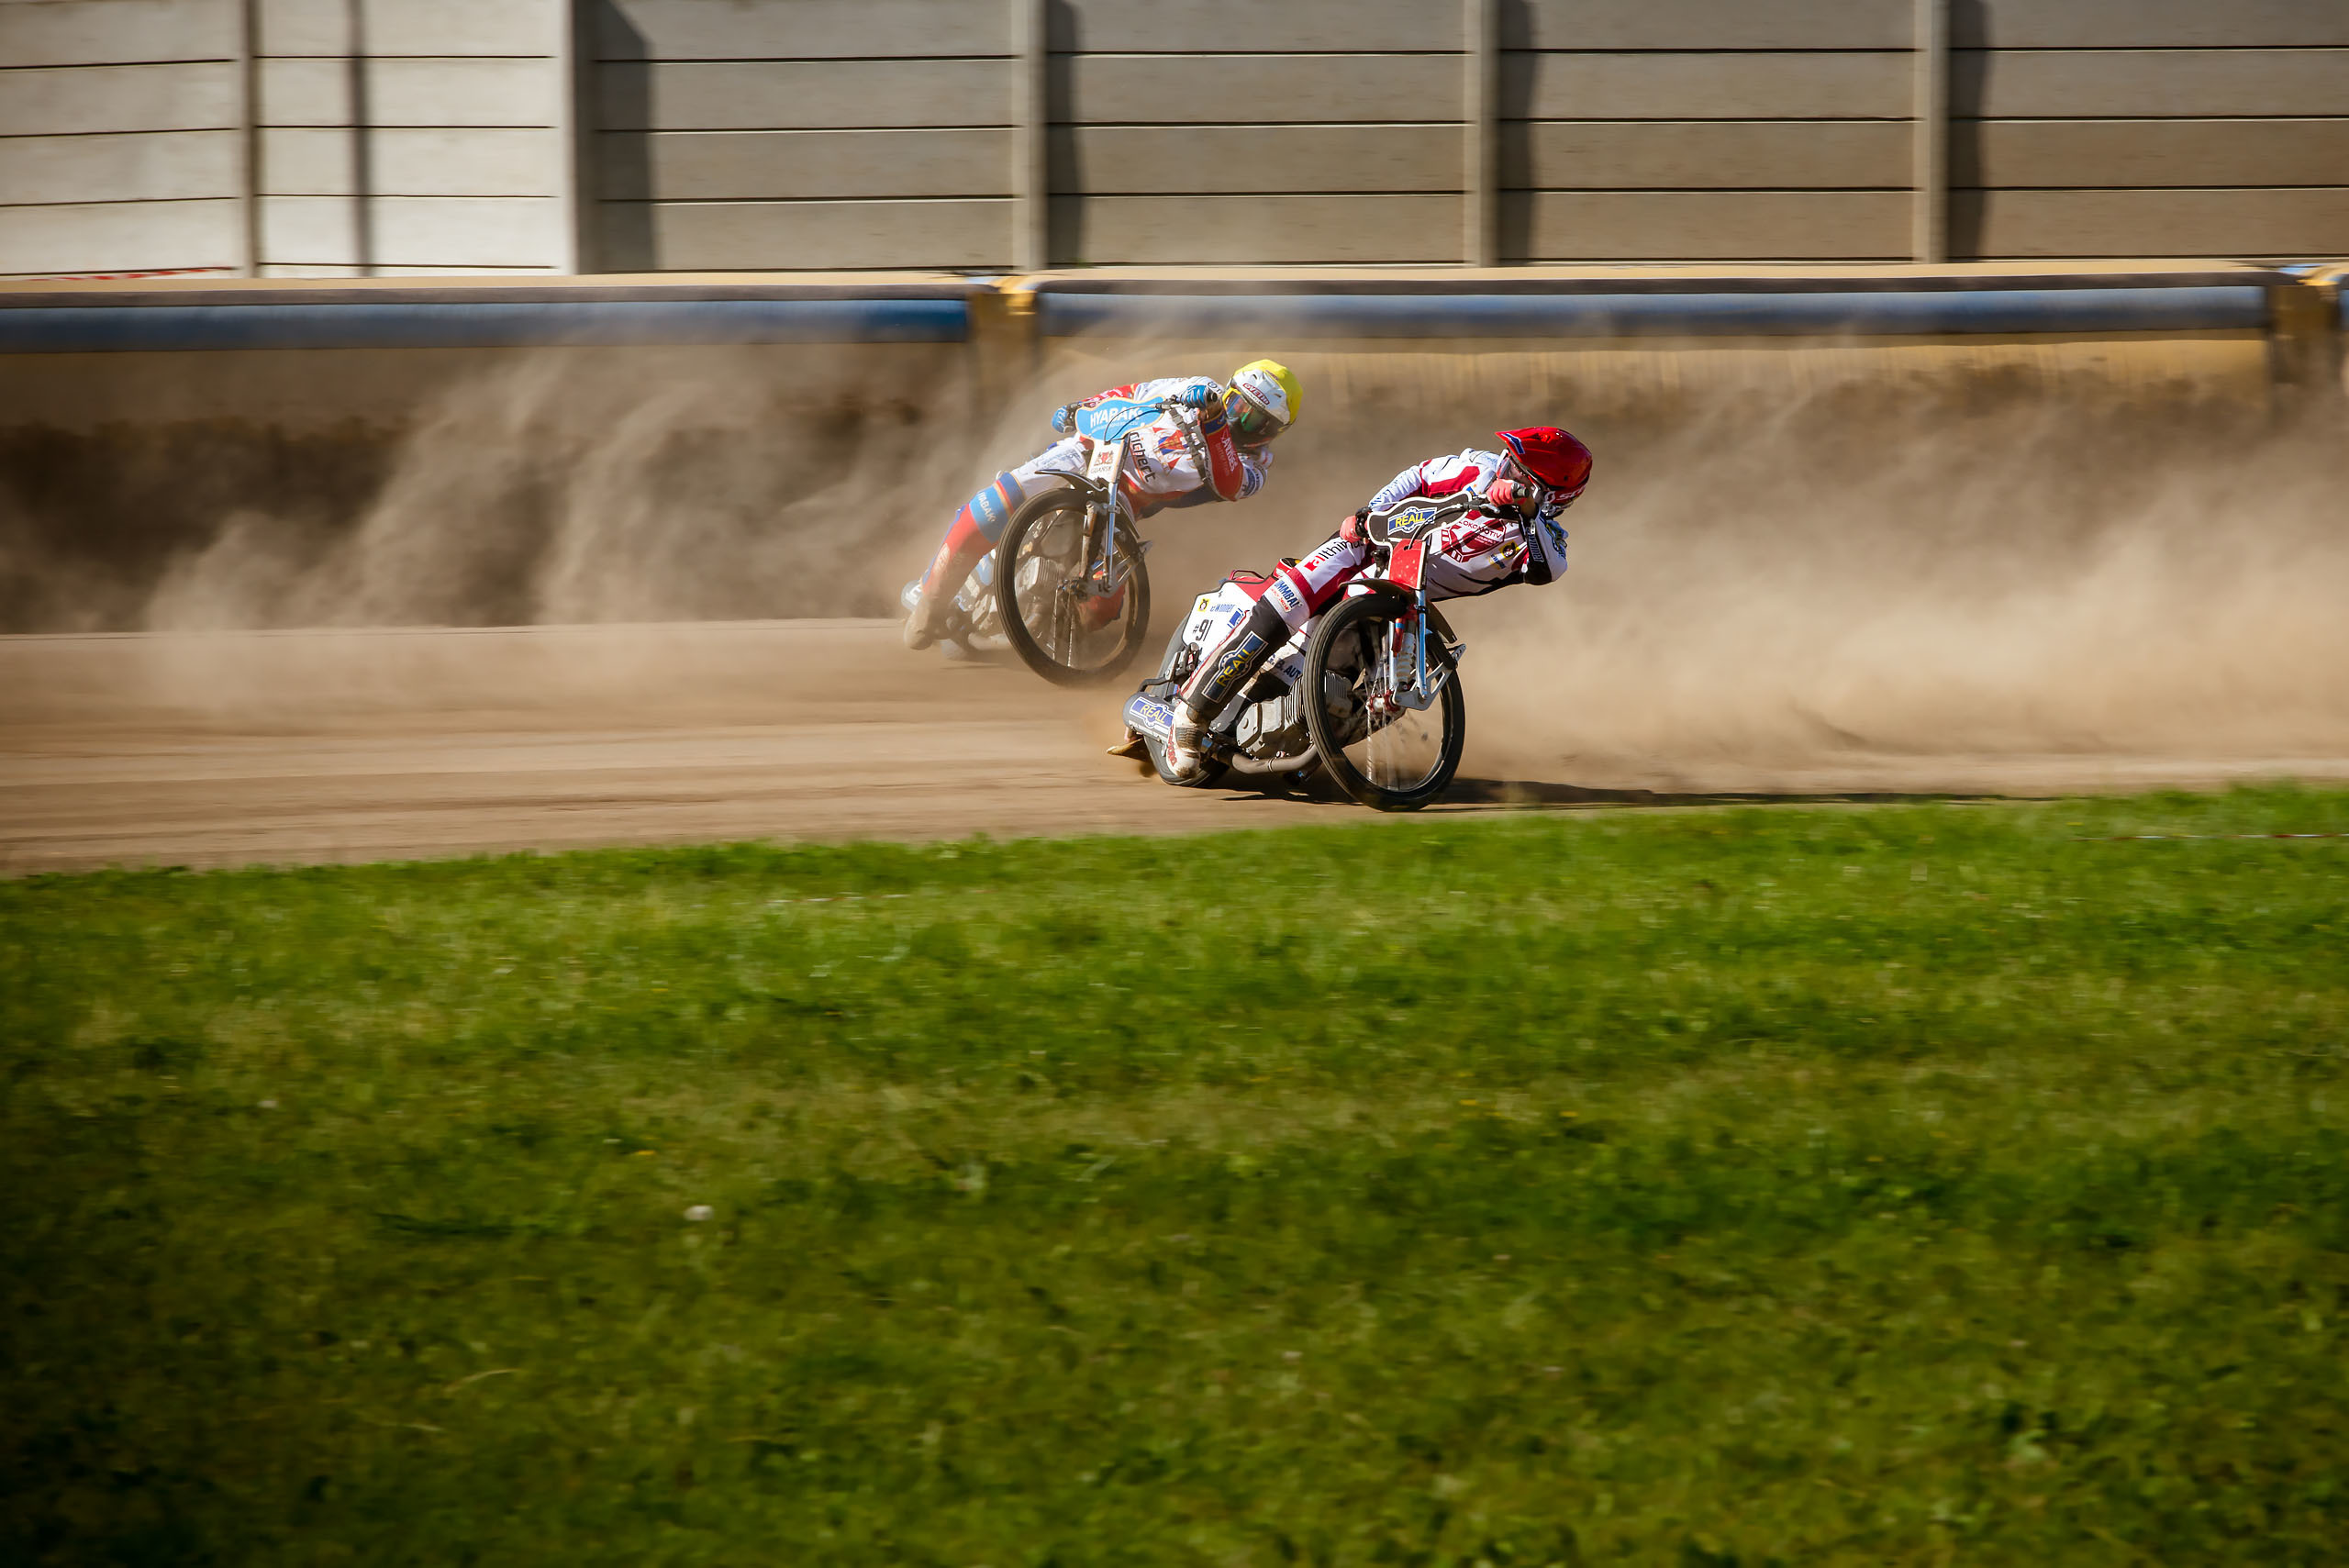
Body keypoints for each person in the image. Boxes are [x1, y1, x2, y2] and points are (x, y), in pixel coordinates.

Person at [1164, 425, 1593, 775]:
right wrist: (1371, 511)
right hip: (1365, 547)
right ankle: (1189, 718)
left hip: (1402, 597)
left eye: (1519, 473)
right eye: (1510, 462)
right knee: (1287, 603)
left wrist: (1527, 514)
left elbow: (1549, 569)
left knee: (1385, 690)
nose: (1505, 472)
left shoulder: (1546, 539)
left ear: (1552, 496)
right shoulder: (1478, 468)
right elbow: (1419, 476)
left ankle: (1311, 738)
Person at [901, 361, 1300, 650]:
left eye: (1253, 420)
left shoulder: (1256, 466)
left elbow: (1228, 482)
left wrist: (1214, 423)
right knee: (992, 505)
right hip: (1089, 452)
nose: (1238, 419)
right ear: (1228, 390)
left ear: (1273, 431)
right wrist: (1081, 408)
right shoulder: (1197, 386)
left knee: (1101, 605)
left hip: (1125, 501)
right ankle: (931, 598)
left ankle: (1057, 630)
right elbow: (1133, 394)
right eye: (1236, 404)